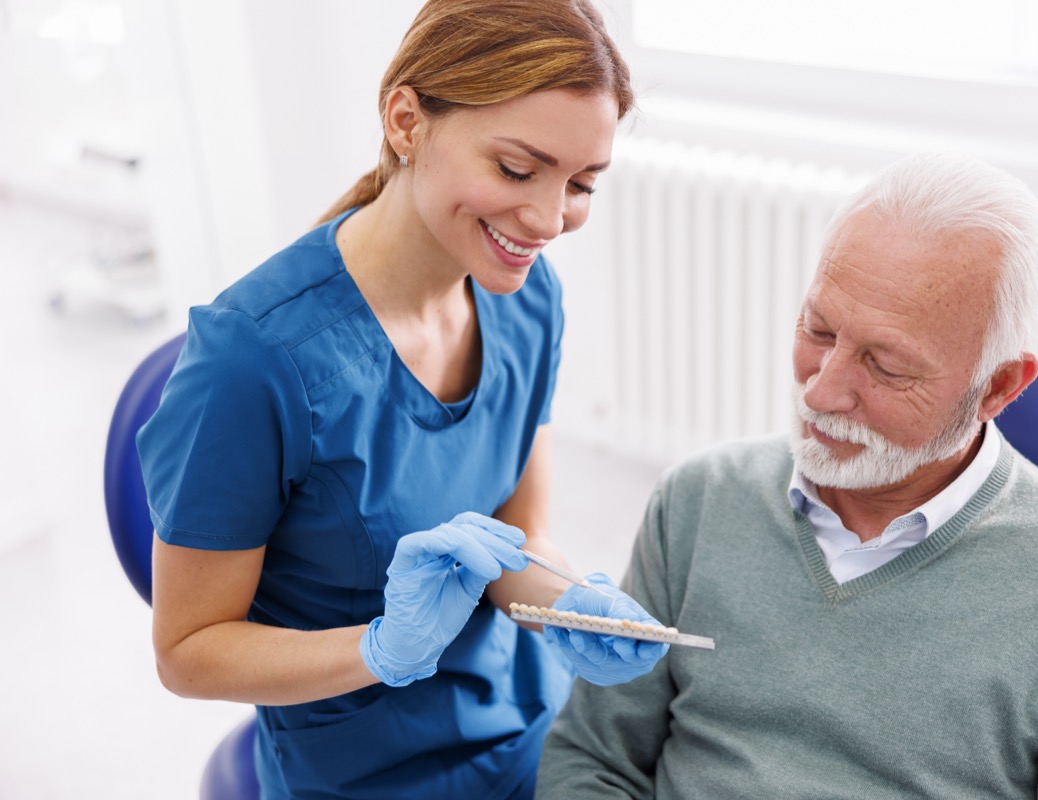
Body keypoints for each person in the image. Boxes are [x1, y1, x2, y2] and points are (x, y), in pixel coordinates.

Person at [535, 152, 1038, 798]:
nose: (822, 393)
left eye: (885, 365)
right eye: (818, 330)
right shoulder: (697, 502)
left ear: (997, 387)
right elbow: (594, 759)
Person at [135, 2, 667, 797]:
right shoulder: (254, 363)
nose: (550, 219)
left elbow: (521, 538)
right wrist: (381, 649)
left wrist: (570, 605)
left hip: (527, 721)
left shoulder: (527, 299)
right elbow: (187, 651)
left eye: (582, 184)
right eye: (519, 170)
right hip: (362, 771)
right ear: (407, 121)